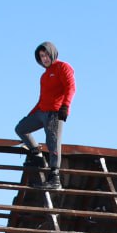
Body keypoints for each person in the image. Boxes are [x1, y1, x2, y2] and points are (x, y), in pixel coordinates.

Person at [14, 41, 75, 190]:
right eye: (42, 56)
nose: (45, 58)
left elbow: (71, 87)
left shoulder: (63, 67)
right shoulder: (44, 76)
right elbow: (41, 99)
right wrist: (30, 115)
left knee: (53, 142)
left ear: (52, 53)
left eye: (47, 55)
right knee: (21, 128)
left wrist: (66, 106)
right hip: (41, 111)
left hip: (55, 113)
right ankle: (37, 154)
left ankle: (55, 178)